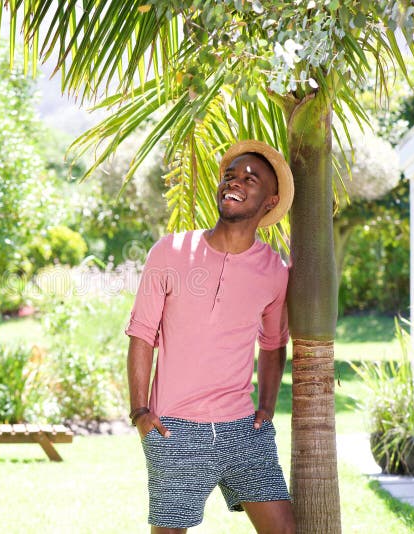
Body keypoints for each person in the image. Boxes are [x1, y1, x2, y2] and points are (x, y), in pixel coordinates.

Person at [125, 139, 296, 534]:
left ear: (270, 202)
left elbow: (273, 343)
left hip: (242, 429)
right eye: (230, 175)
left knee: (285, 531)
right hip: (174, 429)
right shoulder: (169, 251)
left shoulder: (274, 271)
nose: (235, 181)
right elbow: (141, 335)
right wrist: (140, 413)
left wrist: (266, 407)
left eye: (250, 178)